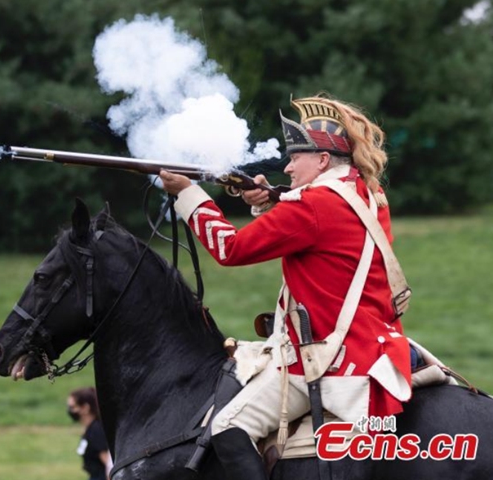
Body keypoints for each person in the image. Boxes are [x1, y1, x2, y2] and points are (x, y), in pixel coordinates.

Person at [159, 95, 412, 479]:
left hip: (328, 357)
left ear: (323, 161)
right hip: (375, 345)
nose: (288, 166)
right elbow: (318, 229)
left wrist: (187, 194)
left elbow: (230, 249)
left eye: (297, 158)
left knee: (228, 428)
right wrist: (267, 201)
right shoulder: (368, 193)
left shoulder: (310, 206)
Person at [67, 387, 112, 480]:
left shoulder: (96, 430)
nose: (70, 411)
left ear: (85, 408)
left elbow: (108, 464)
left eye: (73, 407)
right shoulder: (90, 429)